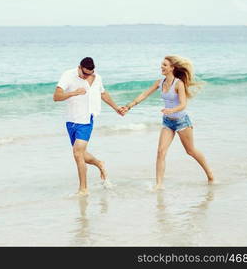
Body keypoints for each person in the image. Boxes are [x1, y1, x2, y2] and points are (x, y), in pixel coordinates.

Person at [121, 55, 214, 190]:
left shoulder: (178, 84)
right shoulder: (160, 82)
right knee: (161, 152)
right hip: (168, 122)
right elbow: (145, 94)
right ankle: (159, 185)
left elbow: (183, 104)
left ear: (172, 68)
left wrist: (172, 110)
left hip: (182, 122)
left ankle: (210, 175)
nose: (162, 67)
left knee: (190, 151)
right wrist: (129, 106)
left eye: (165, 65)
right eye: (162, 64)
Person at [53, 57, 123, 196]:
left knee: (77, 153)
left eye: (89, 74)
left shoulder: (97, 78)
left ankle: (83, 189)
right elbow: (56, 96)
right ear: (79, 67)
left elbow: (103, 94)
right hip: (71, 120)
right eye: (84, 73)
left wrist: (116, 108)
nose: (86, 76)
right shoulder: (68, 75)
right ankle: (99, 164)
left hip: (86, 120)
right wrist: (73, 92)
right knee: (80, 154)